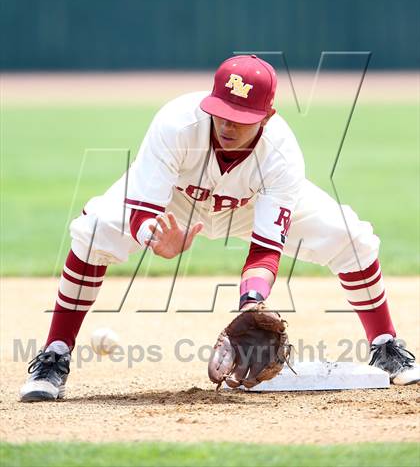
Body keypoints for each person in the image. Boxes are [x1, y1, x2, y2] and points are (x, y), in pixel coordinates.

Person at [20, 54, 419, 401]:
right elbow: (142, 211)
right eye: (222, 112)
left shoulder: (281, 155)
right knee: (93, 233)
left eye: (241, 118)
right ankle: (55, 353)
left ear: (267, 116)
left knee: (351, 237)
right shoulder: (176, 124)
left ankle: (385, 345)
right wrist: (157, 239)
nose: (227, 125)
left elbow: (264, 250)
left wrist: (252, 305)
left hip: (250, 206)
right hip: (175, 205)